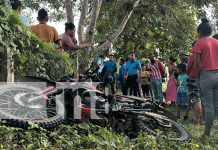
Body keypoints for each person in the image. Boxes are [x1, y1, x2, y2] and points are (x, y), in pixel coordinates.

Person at [193, 18, 218, 138]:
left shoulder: (199, 43)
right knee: (216, 105)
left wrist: (197, 77)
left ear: (200, 32)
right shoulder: (217, 42)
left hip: (206, 76)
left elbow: (197, 64)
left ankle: (207, 133)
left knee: (208, 106)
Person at [187, 41, 202, 124]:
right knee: (202, 100)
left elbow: (188, 68)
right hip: (203, 78)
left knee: (196, 100)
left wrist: (188, 72)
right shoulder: (204, 56)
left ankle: (196, 120)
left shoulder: (193, 56)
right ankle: (201, 119)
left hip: (193, 78)